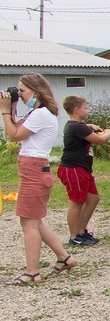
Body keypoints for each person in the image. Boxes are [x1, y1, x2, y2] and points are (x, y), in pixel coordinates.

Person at [1, 75, 77, 284]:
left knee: (28, 224)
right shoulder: (38, 113)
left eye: (22, 91)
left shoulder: (41, 114)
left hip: (33, 170)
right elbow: (16, 128)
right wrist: (14, 106)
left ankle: (32, 272)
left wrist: (5, 110)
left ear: (36, 91)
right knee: (34, 221)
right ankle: (64, 257)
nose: (20, 94)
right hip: (33, 169)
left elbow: (14, 135)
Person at [59, 95, 110, 246]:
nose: (87, 110)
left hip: (83, 168)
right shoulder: (76, 126)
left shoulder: (77, 125)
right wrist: (108, 132)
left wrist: (89, 125)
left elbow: (83, 129)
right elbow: (100, 140)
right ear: (76, 110)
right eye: (85, 107)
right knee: (77, 202)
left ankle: (81, 231)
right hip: (73, 168)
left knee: (93, 198)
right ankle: (74, 235)